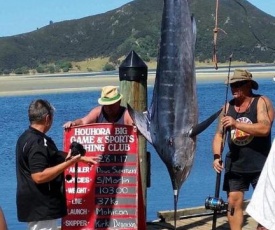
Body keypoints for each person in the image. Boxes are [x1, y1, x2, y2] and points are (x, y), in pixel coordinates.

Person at [16, 99, 98, 230]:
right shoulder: (38, 142)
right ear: (48, 118)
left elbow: (52, 154)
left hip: (33, 204)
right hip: (42, 207)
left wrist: (80, 158)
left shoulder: (25, 137)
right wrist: (70, 163)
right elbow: (39, 176)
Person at [212, 69, 274, 230]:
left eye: (238, 84)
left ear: (248, 85)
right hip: (236, 164)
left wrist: (237, 124)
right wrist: (216, 156)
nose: (234, 88)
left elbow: (265, 128)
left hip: (261, 164)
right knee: (233, 201)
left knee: (266, 207)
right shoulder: (227, 108)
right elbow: (219, 135)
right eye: (232, 85)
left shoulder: (261, 102)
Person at [63, 85, 133, 128]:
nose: (109, 108)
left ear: (119, 102)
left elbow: (134, 129)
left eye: (111, 105)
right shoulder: (98, 112)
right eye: (106, 105)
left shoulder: (126, 114)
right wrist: (73, 123)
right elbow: (82, 121)